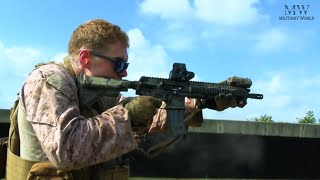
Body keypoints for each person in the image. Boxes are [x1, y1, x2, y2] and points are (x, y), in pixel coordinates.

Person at [5, 19, 245, 180]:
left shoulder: (101, 93)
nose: (124, 72)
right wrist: (128, 116)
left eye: (125, 65)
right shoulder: (48, 81)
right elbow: (68, 150)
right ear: (86, 58)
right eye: (119, 63)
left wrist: (200, 102)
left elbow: (141, 122)